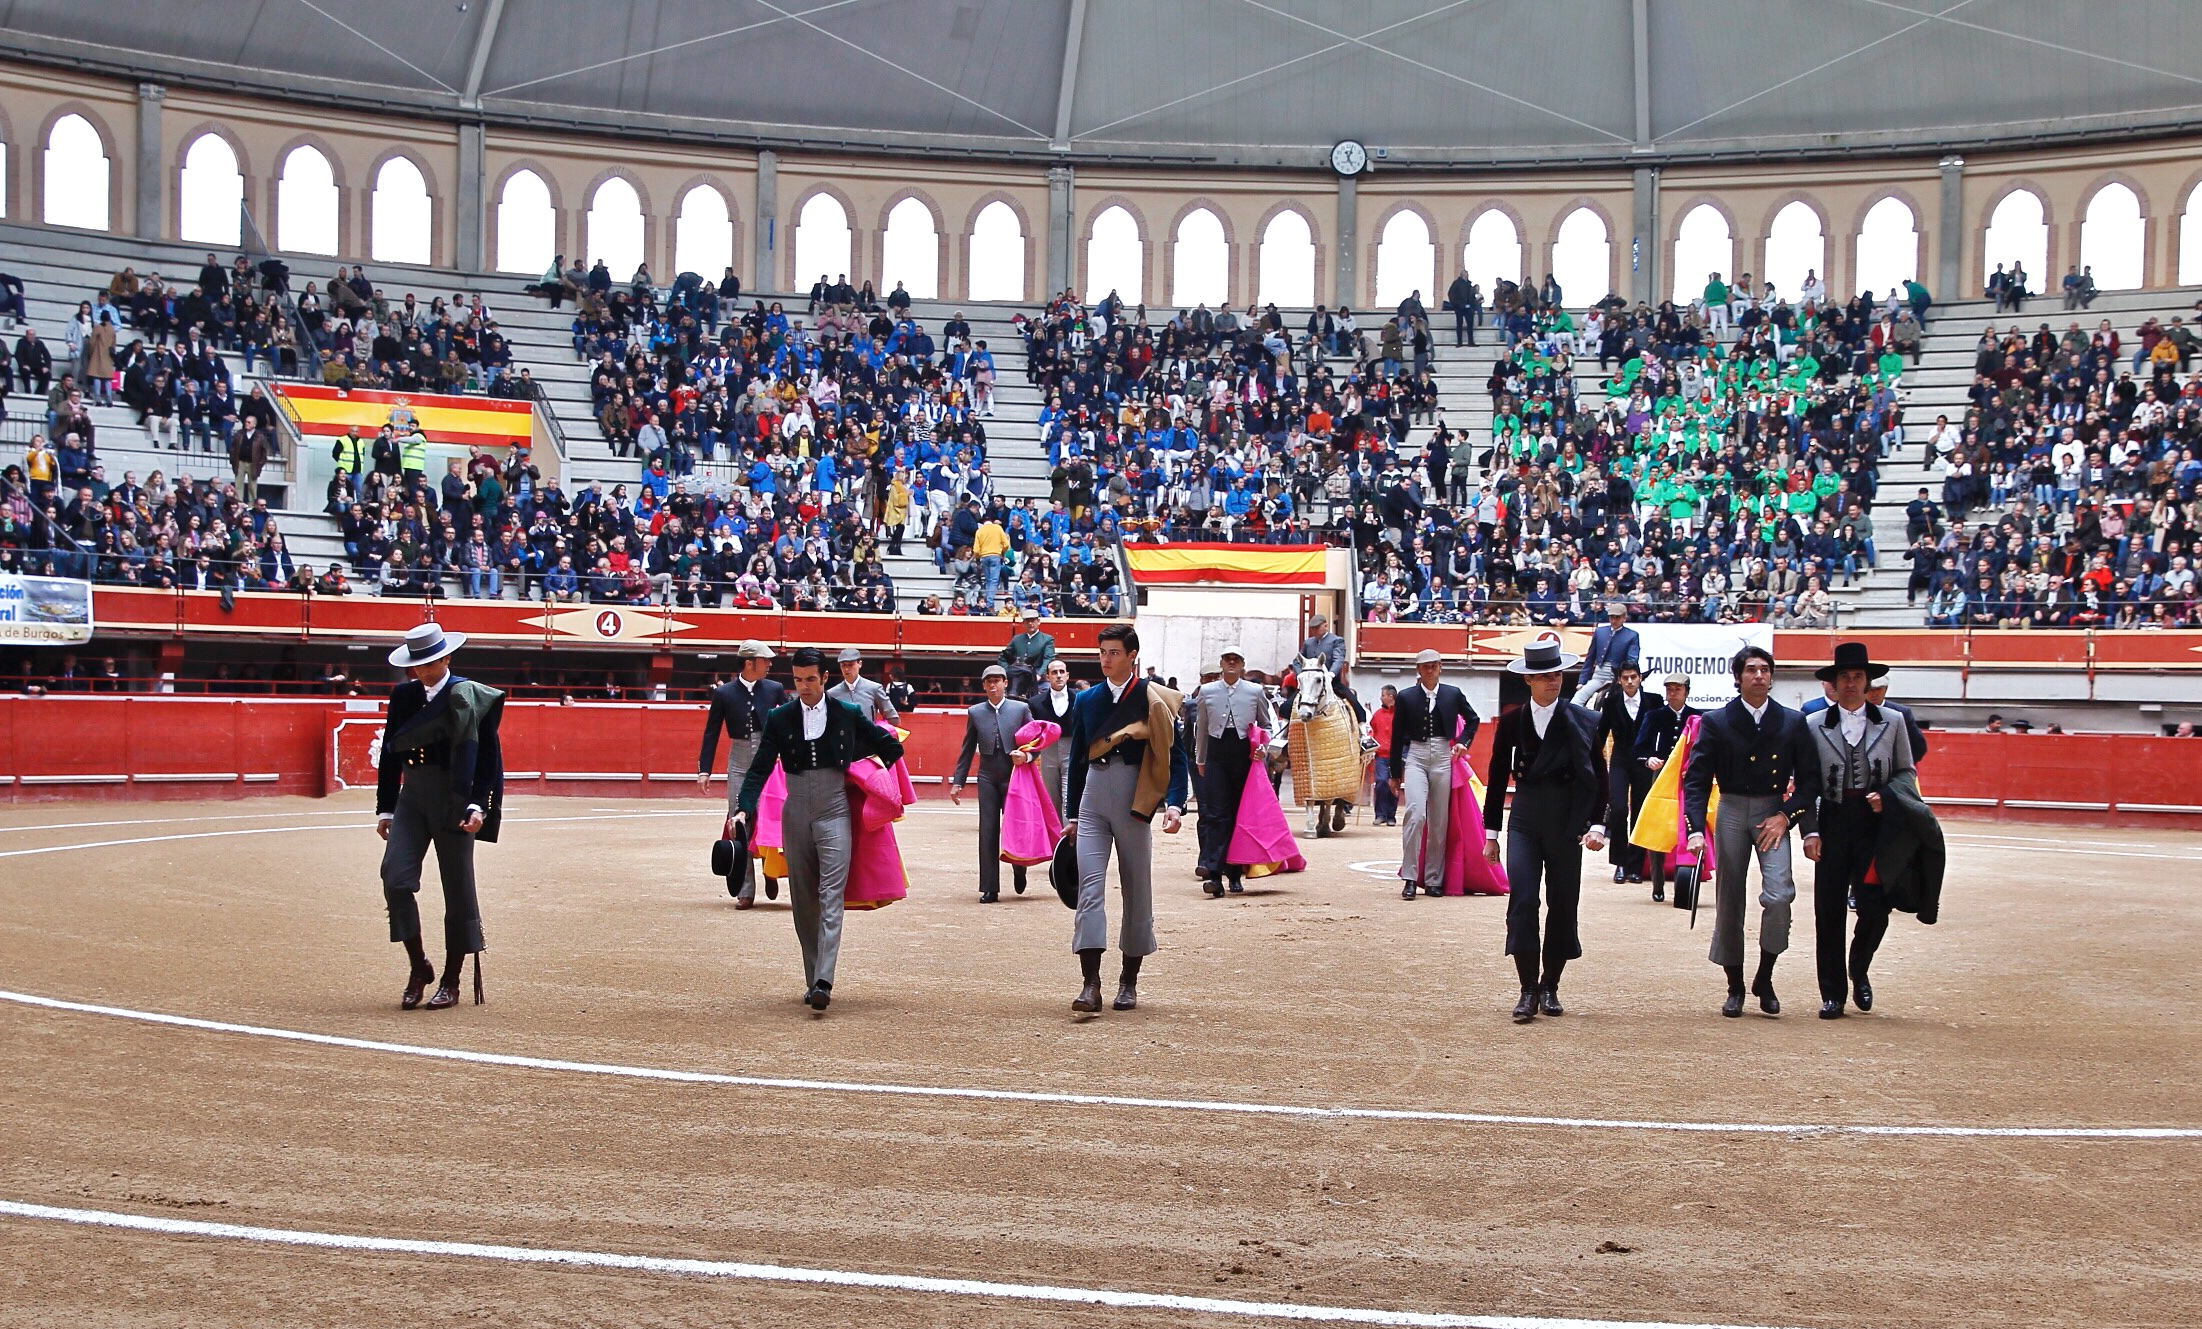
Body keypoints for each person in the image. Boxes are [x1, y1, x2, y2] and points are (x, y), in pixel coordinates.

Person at [732, 647, 906, 1012]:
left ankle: (824, 979)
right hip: (794, 814)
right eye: (797, 679)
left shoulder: (847, 713)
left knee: (831, 895)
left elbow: (890, 747)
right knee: (804, 900)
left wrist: (871, 778)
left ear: (826, 678)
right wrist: (743, 810)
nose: (804, 686)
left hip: (835, 812)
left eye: (810, 679)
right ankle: (813, 979)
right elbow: (760, 768)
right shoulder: (780, 717)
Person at [1681, 646, 1819, 1019]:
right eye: (1751, 670)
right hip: (1730, 809)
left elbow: (1809, 783)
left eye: (1765, 670)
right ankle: (1735, 985)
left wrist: (1787, 816)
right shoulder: (1717, 721)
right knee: (1729, 901)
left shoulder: (1792, 722)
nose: (1759, 676)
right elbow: (1696, 780)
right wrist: (1696, 828)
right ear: (1738, 677)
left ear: (1772, 677)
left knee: (1779, 895)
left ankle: (1765, 977)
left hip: (1773, 811)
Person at [375, 622, 505, 1011]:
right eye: (416, 663)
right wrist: (386, 806)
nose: (421, 669)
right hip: (412, 797)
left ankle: (452, 980)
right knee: (395, 878)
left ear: (446, 658)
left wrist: (479, 804)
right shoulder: (403, 696)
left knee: (458, 890)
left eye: (428, 661)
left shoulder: (467, 694)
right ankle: (419, 966)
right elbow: (390, 753)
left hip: (455, 798)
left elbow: (488, 758)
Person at [1062, 623, 1189, 1016]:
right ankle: (1090, 984)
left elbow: (1175, 755)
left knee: (1137, 890)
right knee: (1090, 889)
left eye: (1114, 652)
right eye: (1102, 652)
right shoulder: (1087, 701)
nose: (1106, 659)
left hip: (1137, 801)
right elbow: (1078, 758)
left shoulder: (1154, 698)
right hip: (1093, 800)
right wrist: (1070, 814)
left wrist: (1174, 803)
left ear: (1133, 655)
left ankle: (1128, 982)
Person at [1800, 642, 1931, 1019]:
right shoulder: (1812, 725)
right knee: (1828, 909)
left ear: (1868, 681)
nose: (1852, 683)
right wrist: (1810, 830)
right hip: (1832, 821)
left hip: (1877, 825)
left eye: (1858, 677)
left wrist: (1888, 795)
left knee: (1875, 907)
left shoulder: (1893, 722)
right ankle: (1833, 993)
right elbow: (1807, 783)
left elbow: (1907, 771)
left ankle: (1859, 968)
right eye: (1845, 677)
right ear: (1834, 683)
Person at [1481, 632, 1606, 1022]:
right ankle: (1526, 989)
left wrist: (1599, 824)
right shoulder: (1514, 720)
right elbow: (1497, 775)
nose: (1554, 680)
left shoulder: (1583, 720)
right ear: (1529, 680)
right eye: (1545, 675)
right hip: (1526, 817)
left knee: (1564, 903)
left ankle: (1550, 985)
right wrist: (1491, 834)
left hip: (1567, 820)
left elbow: (1600, 777)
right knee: (1523, 899)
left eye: (1558, 674)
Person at [698, 640, 788, 908]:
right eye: (765, 660)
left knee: (771, 821)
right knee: (740, 824)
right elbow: (712, 732)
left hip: (770, 761)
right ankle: (746, 888)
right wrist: (705, 769)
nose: (770, 664)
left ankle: (770, 870)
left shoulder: (775, 689)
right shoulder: (724, 693)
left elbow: (788, 724)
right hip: (738, 762)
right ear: (750, 662)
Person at [1389, 647, 1480, 900]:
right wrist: (1395, 773)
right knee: (1415, 814)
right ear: (1418, 670)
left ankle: (1433, 879)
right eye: (1425, 666)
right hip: (1416, 757)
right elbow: (1397, 737)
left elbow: (1473, 719)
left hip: (1443, 756)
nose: (1430, 670)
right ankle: (1409, 877)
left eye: (1434, 666)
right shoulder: (1407, 697)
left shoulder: (1453, 694)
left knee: (1439, 821)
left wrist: (1463, 741)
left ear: (1440, 668)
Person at [1189, 646, 1272, 897]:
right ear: (1221, 664)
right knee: (1216, 814)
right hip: (1216, 755)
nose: (1232, 663)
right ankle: (1215, 874)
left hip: (1243, 754)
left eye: (1236, 660)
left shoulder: (1255, 691)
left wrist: (1262, 750)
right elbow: (1201, 729)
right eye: (1227, 660)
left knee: (1238, 815)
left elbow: (1267, 725)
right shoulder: (1207, 691)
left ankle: (1234, 872)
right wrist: (1201, 760)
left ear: (1243, 664)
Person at [950, 664, 1035, 902]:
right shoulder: (976, 712)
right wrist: (959, 781)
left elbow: (1035, 743)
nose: (993, 685)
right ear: (984, 685)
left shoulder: (1021, 709)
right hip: (987, 776)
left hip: (1013, 776)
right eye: (989, 681)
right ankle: (990, 887)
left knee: (1015, 828)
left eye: (997, 680)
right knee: (987, 831)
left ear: (1005, 683)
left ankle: (1019, 867)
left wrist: (1027, 756)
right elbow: (967, 751)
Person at [1631, 671, 1700, 903]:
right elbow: (1639, 749)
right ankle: (1658, 883)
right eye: (1669, 689)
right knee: (1659, 827)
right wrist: (1648, 759)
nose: (1673, 693)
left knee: (1691, 824)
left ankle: (1687, 880)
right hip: (1661, 776)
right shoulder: (1655, 716)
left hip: (1689, 778)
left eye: (1677, 689)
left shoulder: (1697, 718)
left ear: (1687, 693)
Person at [1594, 661, 1649, 884]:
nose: (1629, 681)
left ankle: (1636, 866)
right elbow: (1601, 733)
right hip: (1620, 760)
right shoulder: (1612, 702)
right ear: (1619, 680)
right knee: (1617, 808)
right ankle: (1620, 863)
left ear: (1640, 678)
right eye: (1625, 677)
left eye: (1633, 677)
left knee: (1639, 812)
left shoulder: (1652, 701)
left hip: (1644, 761)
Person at [1028, 657, 1077, 818]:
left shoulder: (1081, 698)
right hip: (1047, 753)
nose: (1058, 675)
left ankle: (1068, 840)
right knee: (1051, 800)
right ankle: (1054, 840)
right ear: (1047, 677)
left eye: (1062, 672)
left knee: (1069, 798)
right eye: (1054, 672)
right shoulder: (1035, 703)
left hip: (1072, 752)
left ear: (1068, 675)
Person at [1573, 600, 1640, 705]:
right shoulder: (1600, 632)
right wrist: (1582, 681)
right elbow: (1590, 658)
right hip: (1599, 674)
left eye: (1617, 617)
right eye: (1611, 617)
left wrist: (1623, 677)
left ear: (1624, 618)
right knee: (1577, 699)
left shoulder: (1632, 635)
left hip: (1619, 676)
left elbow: (1632, 660)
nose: (1614, 620)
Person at [827, 646, 899, 723]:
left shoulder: (874, 688)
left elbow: (893, 718)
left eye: (850, 665)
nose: (846, 669)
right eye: (843, 665)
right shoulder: (832, 694)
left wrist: (878, 732)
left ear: (860, 664)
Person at [999, 607, 1057, 698]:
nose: (1030, 623)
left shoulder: (1047, 639)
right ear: (1023, 623)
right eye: (1027, 621)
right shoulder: (1017, 639)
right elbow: (1003, 657)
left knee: (1048, 694)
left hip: (1037, 676)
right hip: (1017, 675)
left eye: (1033, 620)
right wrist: (1007, 671)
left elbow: (1048, 658)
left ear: (1038, 621)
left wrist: (1039, 674)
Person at [1369, 684, 1399, 826]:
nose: (1381, 698)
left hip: (1397, 756)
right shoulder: (1377, 714)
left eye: (1383, 695)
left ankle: (1391, 816)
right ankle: (1380, 814)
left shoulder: (1400, 714)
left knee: (1394, 785)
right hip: (1381, 755)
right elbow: (1372, 731)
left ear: (1390, 697)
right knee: (1381, 783)